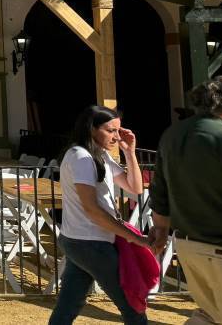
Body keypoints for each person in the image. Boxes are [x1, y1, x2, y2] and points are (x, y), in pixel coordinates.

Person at [150, 76, 222, 325]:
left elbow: (159, 194)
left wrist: (161, 231)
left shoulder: (172, 134)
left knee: (212, 316)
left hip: (188, 248)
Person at [49, 105, 149, 325]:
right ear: (91, 129)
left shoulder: (97, 155)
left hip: (80, 241)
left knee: (68, 305)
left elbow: (135, 188)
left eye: (118, 130)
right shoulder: (82, 157)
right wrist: (133, 237)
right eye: (110, 130)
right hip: (91, 243)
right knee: (132, 306)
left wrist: (130, 152)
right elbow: (92, 209)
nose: (116, 136)